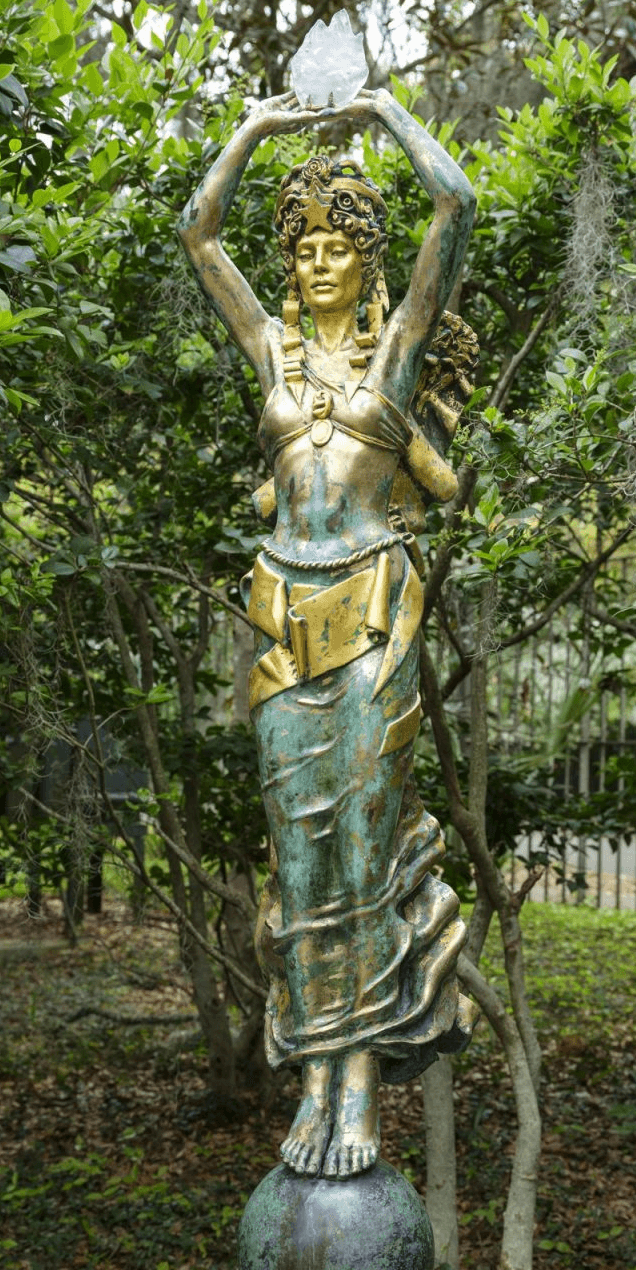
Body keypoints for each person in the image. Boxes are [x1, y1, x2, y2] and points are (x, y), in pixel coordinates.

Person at [178, 87, 479, 1179]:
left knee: (359, 859)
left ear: (363, 261)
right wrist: (255, 131)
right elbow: (198, 235)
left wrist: (389, 110)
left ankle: (358, 1097)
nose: (313, 265)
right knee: (295, 872)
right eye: (299, 248)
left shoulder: (396, 357)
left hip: (370, 625)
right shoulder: (271, 358)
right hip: (280, 627)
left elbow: (455, 206)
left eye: (333, 248)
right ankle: (311, 1076)